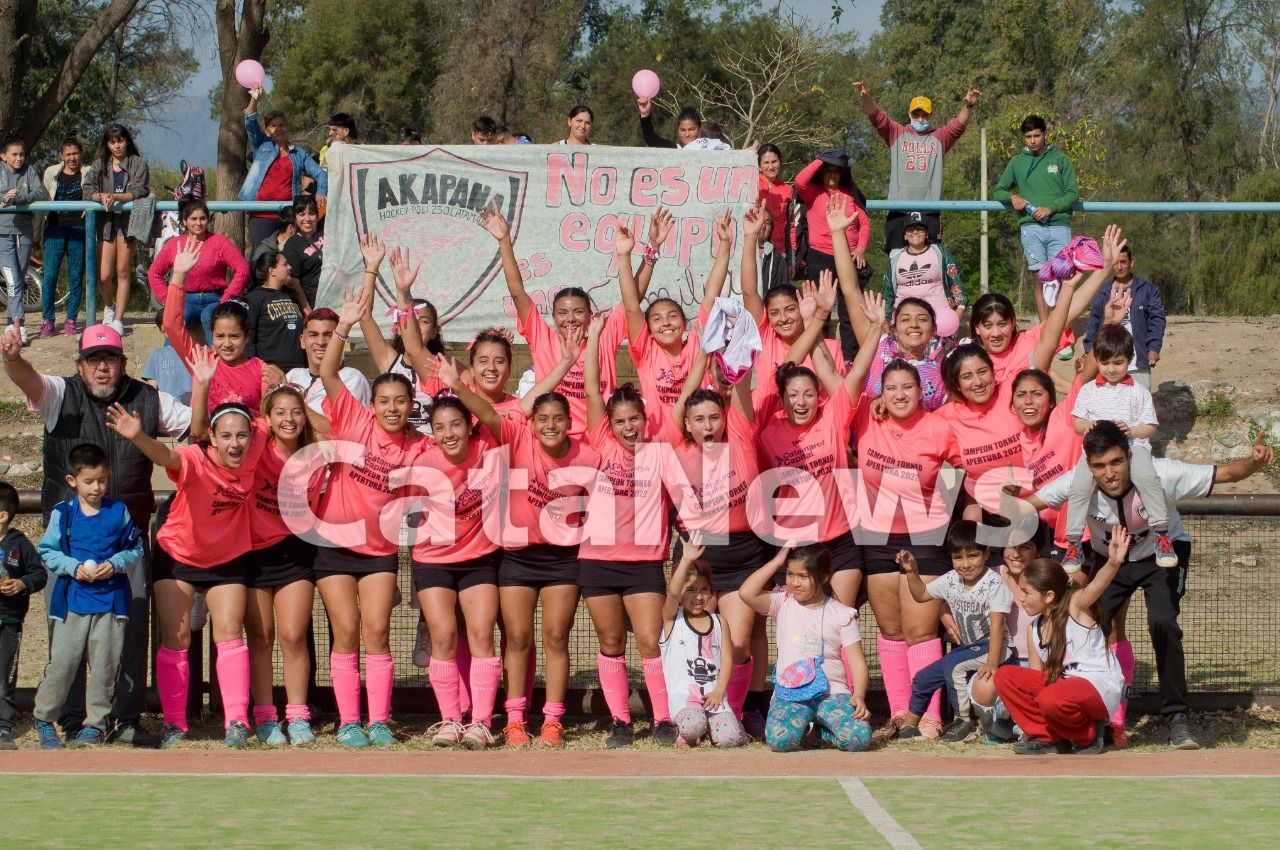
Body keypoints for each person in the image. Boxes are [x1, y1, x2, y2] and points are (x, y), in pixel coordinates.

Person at [1023, 422, 1276, 749]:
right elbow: (1029, 504)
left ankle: (1177, 719)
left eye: (1116, 462)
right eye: (1100, 466)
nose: (1109, 473)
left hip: (1161, 555)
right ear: (1089, 466)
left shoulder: (1160, 473)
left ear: (1129, 457)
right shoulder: (1077, 482)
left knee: (1163, 622)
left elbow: (1225, 474)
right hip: (1111, 558)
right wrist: (1003, 496)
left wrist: (1254, 462)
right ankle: (1086, 718)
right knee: (1086, 626)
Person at [2, 322, 189, 748]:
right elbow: (28, 379)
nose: (102, 367)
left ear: (123, 362)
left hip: (126, 545)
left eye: (110, 359)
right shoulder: (59, 394)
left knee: (128, 635)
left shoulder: (149, 399)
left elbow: (194, 426)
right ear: (80, 365)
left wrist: (211, 387)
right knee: (67, 640)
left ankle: (123, 720)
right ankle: (70, 720)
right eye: (93, 359)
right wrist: (12, 359)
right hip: (70, 549)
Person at [106, 364, 265, 747]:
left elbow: (274, 418)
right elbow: (166, 456)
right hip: (177, 555)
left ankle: (236, 723)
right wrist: (138, 435)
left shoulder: (254, 451)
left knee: (230, 634)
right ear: (212, 437)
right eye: (226, 436)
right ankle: (175, 724)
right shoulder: (196, 458)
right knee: (176, 638)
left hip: (227, 557)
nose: (235, 444)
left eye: (241, 435)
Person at [313, 286, 426, 748]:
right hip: (333, 546)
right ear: (373, 404)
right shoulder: (354, 420)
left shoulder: (420, 446)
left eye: (400, 401)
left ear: (410, 406)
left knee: (377, 630)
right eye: (385, 401)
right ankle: (348, 721)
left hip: (379, 552)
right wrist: (344, 324)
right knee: (345, 631)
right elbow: (327, 370)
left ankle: (378, 721)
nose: (392, 409)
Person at [580, 311, 681, 748]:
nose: (628, 427)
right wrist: (596, 338)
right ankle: (620, 722)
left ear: (645, 418)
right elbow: (591, 388)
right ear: (610, 424)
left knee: (650, 640)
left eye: (634, 420)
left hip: (643, 564)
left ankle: (663, 719)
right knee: (610, 640)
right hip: (597, 561)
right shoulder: (601, 442)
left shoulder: (660, 452)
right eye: (620, 421)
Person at [756, 277, 879, 608]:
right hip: (795, 543)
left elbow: (854, 374)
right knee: (803, 626)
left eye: (808, 394)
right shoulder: (767, 432)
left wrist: (874, 328)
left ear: (819, 397)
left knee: (841, 621)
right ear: (781, 399)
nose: (801, 402)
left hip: (841, 540)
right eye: (793, 395)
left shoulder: (832, 417)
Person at [485, 201, 630, 438]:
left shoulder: (602, 339)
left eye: (578, 312)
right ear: (553, 317)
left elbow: (632, 302)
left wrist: (638, 253)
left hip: (597, 442)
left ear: (590, 316)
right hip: (550, 439)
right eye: (562, 313)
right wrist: (504, 241)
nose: (570, 319)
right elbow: (517, 292)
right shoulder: (544, 339)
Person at [32, 443, 143, 749]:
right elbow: (47, 551)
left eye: (102, 480)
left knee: (105, 667)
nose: (96, 487)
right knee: (63, 664)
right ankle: (44, 718)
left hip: (111, 604)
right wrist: (73, 567)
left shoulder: (118, 512)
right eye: (89, 481)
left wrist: (114, 564)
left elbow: (134, 548)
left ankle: (95, 726)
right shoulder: (63, 514)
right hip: (72, 603)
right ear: (72, 481)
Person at [238, 381, 323, 746]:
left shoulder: (315, 458)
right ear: (268, 418)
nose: (289, 419)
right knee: (261, 637)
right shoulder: (256, 449)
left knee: (293, 635)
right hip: (254, 554)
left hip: (295, 553)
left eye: (296, 411)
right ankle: (264, 718)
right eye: (280, 412)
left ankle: (299, 716)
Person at [994, 531, 1129, 754]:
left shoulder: (1074, 606)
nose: (1021, 597)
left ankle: (1089, 734)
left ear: (1048, 596)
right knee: (1005, 676)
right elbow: (1036, 678)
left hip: (1097, 687)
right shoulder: (1034, 629)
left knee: (1051, 697)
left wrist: (1113, 562)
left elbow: (1096, 586)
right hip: (1062, 692)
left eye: (1026, 592)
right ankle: (1049, 737)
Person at [739, 543, 873, 753]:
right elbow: (746, 593)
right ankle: (804, 730)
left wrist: (859, 695)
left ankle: (821, 733)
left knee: (859, 738)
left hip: (833, 694)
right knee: (779, 742)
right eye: (790, 574)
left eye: (803, 576)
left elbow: (857, 662)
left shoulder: (842, 613)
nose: (794, 582)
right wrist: (777, 561)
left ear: (824, 577)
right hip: (790, 694)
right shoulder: (782, 603)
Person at [1065, 324, 1173, 570]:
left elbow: (1150, 426)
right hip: (1096, 453)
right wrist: (1087, 426)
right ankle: (1073, 543)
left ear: (1130, 359)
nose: (1111, 369)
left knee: (1147, 479)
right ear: (1096, 361)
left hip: (1133, 449)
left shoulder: (1139, 392)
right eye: (1105, 363)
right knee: (1079, 487)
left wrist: (1132, 431)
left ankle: (1161, 534)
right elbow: (1077, 424)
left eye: (1118, 363)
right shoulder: (1088, 391)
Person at [893, 522, 1015, 742]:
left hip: (995, 648)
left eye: (973, 556)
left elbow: (997, 626)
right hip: (969, 649)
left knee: (954, 664)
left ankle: (964, 720)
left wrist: (992, 662)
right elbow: (921, 594)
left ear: (987, 553)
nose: (965, 564)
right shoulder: (951, 579)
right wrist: (911, 571)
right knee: (923, 678)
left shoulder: (994, 584)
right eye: (958, 557)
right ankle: (910, 726)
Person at [969, 224, 1124, 385]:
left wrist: (1105, 267)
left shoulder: (1026, 343)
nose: (996, 333)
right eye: (988, 326)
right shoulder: (968, 360)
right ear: (977, 328)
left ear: (1013, 323)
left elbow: (1067, 313)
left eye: (1002, 324)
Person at [853, 81, 980, 251]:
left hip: (930, 210)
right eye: (916, 114)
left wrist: (968, 106)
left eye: (924, 115)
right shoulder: (897, 133)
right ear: (909, 114)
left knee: (931, 259)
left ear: (931, 115)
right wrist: (865, 97)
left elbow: (958, 126)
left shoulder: (939, 137)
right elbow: (877, 118)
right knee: (896, 259)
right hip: (898, 210)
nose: (920, 119)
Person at [162, 238, 271, 409]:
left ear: (247, 337)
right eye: (220, 336)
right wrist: (179, 276)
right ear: (211, 335)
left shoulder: (260, 369)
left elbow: (268, 417)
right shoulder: (202, 361)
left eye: (234, 336)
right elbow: (172, 326)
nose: (227, 344)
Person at [659, 533, 744, 748]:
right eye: (691, 590)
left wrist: (719, 691)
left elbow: (727, 660)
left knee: (731, 739)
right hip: (686, 700)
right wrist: (686, 559)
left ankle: (714, 728)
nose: (698, 596)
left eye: (704, 590)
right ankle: (688, 732)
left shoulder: (719, 621)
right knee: (692, 726)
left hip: (715, 698)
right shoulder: (672, 619)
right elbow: (672, 593)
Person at [355, 235, 445, 431]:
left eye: (424, 322)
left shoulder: (443, 368)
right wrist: (371, 267)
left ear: (434, 331)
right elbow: (364, 316)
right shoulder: (390, 361)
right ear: (398, 327)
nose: (416, 327)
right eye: (411, 320)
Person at [992, 115, 1079, 312]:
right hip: (1030, 228)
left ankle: (1061, 327)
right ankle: (1044, 326)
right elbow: (999, 190)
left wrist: (1051, 208)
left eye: (1036, 136)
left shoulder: (1060, 160)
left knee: (1062, 278)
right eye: (1028, 136)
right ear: (1023, 137)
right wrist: (1012, 197)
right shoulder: (1017, 162)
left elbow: (1073, 192)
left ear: (1045, 134)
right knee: (1039, 278)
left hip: (1059, 227)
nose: (1032, 141)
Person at [794, 149, 870, 362]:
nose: (832, 175)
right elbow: (800, 180)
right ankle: (822, 355)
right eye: (828, 170)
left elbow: (864, 223)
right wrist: (822, 159)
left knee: (850, 309)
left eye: (836, 171)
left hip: (849, 257)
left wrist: (861, 249)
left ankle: (850, 357)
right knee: (821, 308)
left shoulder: (851, 193)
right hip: (820, 254)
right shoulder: (813, 192)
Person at [147, 199, 251, 344]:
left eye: (202, 218)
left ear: (208, 219)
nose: (198, 223)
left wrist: (228, 296)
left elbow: (242, 269)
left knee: (211, 316)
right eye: (193, 219)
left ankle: (218, 357)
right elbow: (154, 273)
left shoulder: (219, 242)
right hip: (184, 299)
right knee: (176, 319)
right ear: (184, 221)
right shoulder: (174, 244)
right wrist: (168, 299)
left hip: (215, 298)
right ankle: (169, 358)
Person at [240, 85, 327, 247]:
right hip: (261, 215)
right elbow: (250, 121)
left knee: (288, 255)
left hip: (287, 215)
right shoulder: (262, 145)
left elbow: (320, 174)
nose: (278, 129)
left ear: (287, 128)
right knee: (261, 255)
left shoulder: (299, 153)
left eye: (282, 125)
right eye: (273, 126)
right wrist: (254, 98)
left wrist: (321, 191)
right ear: (267, 130)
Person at [84, 123, 148, 334]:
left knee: (123, 270)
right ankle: (109, 306)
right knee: (104, 275)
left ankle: (118, 320)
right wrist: (100, 197)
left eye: (120, 140)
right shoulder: (99, 165)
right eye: (112, 142)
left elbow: (139, 190)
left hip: (129, 222)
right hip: (106, 224)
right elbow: (88, 189)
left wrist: (117, 197)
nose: (117, 145)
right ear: (107, 144)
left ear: (127, 141)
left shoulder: (139, 163)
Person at [0, 481, 47, 750]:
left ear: (2, 516)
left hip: (9, 622)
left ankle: (3, 728)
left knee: (4, 676)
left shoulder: (19, 544)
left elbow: (39, 574)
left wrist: (21, 584)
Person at [1084, 245, 1167, 389]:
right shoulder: (1102, 291)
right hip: (1108, 363)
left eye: (1123, 262)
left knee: (1140, 401)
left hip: (1138, 363)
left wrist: (1154, 348)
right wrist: (1088, 351)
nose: (1119, 267)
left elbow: (1157, 320)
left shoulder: (1147, 289)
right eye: (1115, 263)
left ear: (1131, 262)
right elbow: (1093, 323)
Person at [284, 308, 371, 432]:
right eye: (313, 335)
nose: (320, 342)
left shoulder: (352, 378)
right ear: (303, 341)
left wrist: (294, 401)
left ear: (340, 341)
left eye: (328, 335)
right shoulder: (293, 375)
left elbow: (341, 430)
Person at [881, 212, 966, 338]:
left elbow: (956, 282)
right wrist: (886, 322)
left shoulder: (940, 252)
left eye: (920, 229)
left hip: (939, 318)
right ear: (905, 235)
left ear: (926, 233)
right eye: (910, 229)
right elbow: (888, 293)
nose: (915, 232)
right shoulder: (895, 258)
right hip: (905, 318)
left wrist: (958, 313)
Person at [0, 133, 49, 344]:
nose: (19, 158)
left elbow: (39, 193)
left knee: (19, 280)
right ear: (3, 156)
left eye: (22, 154)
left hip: (25, 232)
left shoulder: (29, 170)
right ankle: (17, 325)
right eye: (14, 154)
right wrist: (4, 196)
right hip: (2, 233)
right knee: (13, 281)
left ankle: (12, 322)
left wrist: (18, 197)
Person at [39, 136, 87, 337]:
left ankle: (71, 319)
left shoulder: (87, 172)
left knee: (76, 276)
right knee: (50, 275)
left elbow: (94, 193)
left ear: (80, 154)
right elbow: (43, 199)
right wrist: (37, 232)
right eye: (68, 154)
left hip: (78, 229)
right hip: (55, 228)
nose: (72, 158)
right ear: (61, 156)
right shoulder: (51, 172)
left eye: (75, 153)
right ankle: (48, 320)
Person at [243, 247, 307, 371]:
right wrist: (254, 369)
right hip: (270, 370)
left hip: (298, 369)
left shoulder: (291, 296)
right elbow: (248, 337)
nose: (290, 267)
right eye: (285, 264)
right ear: (272, 270)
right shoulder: (254, 299)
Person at [282, 196, 323, 309]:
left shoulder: (328, 234)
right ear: (295, 217)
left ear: (317, 216)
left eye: (311, 213)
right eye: (302, 214)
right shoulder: (292, 244)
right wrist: (307, 310)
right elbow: (294, 282)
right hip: (313, 303)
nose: (307, 218)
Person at [756, 144, 792, 255]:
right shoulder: (751, 183)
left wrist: (792, 254)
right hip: (754, 248)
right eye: (766, 163)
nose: (771, 167)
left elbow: (791, 225)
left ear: (780, 162)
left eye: (774, 161)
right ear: (759, 166)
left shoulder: (788, 189)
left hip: (779, 250)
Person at [636, 100, 700, 148]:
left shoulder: (706, 146)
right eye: (683, 130)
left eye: (691, 129)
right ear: (678, 130)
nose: (687, 134)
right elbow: (652, 140)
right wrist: (645, 114)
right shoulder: (676, 150)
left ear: (699, 128)